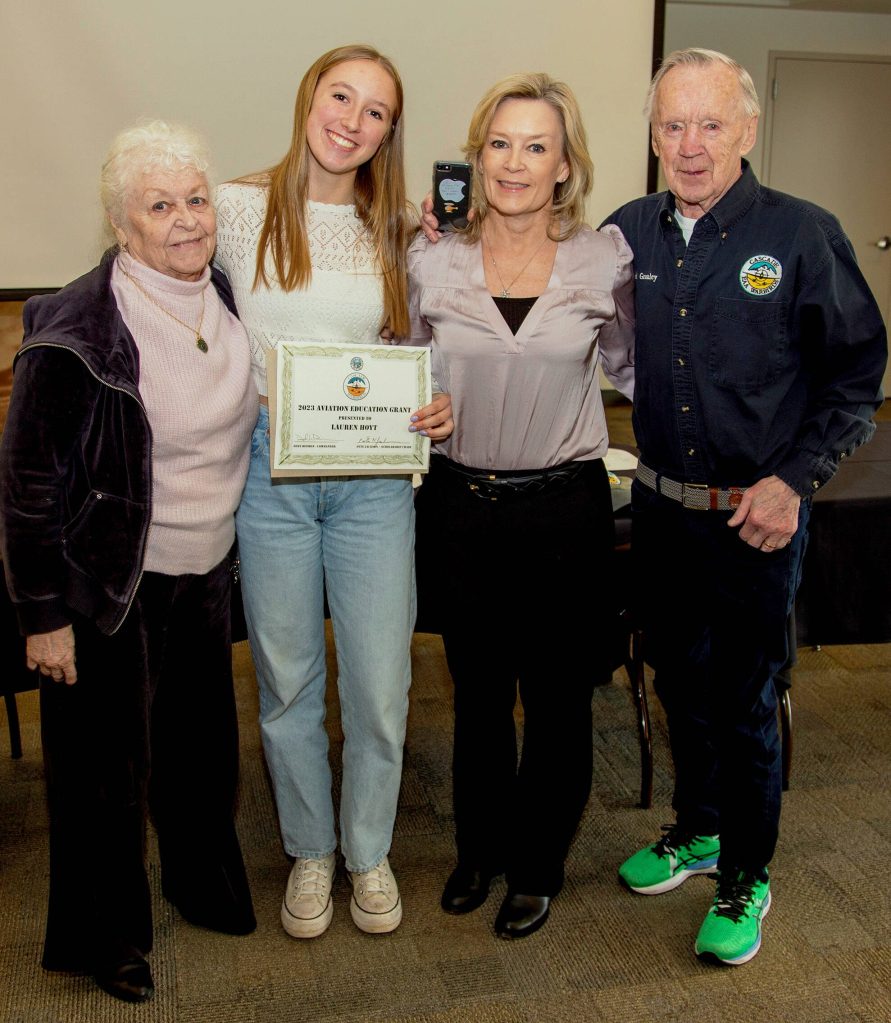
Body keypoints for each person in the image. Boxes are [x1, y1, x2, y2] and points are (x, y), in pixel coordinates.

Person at [602, 49, 887, 966]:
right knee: (676, 682)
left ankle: (744, 874)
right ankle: (698, 829)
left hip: (753, 519)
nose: (689, 146)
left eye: (709, 123)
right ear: (651, 136)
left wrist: (793, 481)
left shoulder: (802, 235)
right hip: (659, 511)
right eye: (671, 126)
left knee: (742, 697)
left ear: (746, 130)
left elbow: (854, 379)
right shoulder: (626, 232)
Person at [0, 121, 259, 1003]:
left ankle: (199, 882)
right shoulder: (74, 329)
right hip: (109, 588)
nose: (185, 220)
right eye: (159, 206)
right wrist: (42, 617)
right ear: (121, 224)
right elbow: (27, 486)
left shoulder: (220, 289)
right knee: (103, 778)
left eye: (196, 200)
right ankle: (103, 939)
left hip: (207, 574)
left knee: (199, 754)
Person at [213, 44, 453, 940]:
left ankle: (367, 851)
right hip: (271, 471)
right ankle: (311, 850)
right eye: (340, 95)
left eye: (376, 110)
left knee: (383, 685)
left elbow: (427, 336)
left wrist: (435, 398)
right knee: (286, 681)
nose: (352, 119)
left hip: (374, 479)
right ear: (309, 95)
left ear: (391, 131)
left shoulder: (400, 226)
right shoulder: (237, 211)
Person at [410, 72, 634, 939]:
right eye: (499, 143)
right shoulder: (427, 254)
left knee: (556, 700)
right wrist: (413, 409)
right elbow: (400, 367)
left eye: (536, 145)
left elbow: (632, 365)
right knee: (474, 696)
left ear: (564, 164)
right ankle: (479, 851)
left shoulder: (602, 258)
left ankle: (536, 865)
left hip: (563, 512)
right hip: (461, 506)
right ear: (475, 157)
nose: (514, 162)